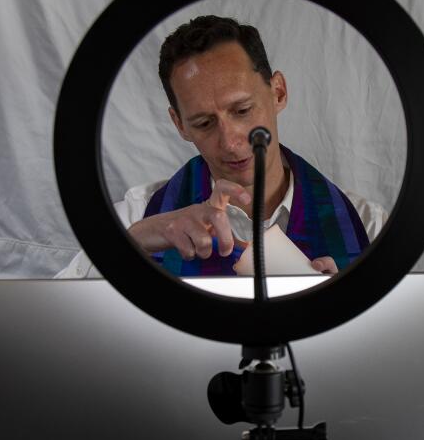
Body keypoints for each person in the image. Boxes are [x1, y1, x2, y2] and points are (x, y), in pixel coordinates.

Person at [58, 15, 386, 278]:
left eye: (242, 111)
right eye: (204, 123)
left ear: (278, 94)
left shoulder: (369, 227)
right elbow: (53, 327)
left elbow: (397, 352)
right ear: (179, 124)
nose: (230, 143)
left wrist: (347, 311)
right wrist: (129, 245)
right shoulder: (134, 218)